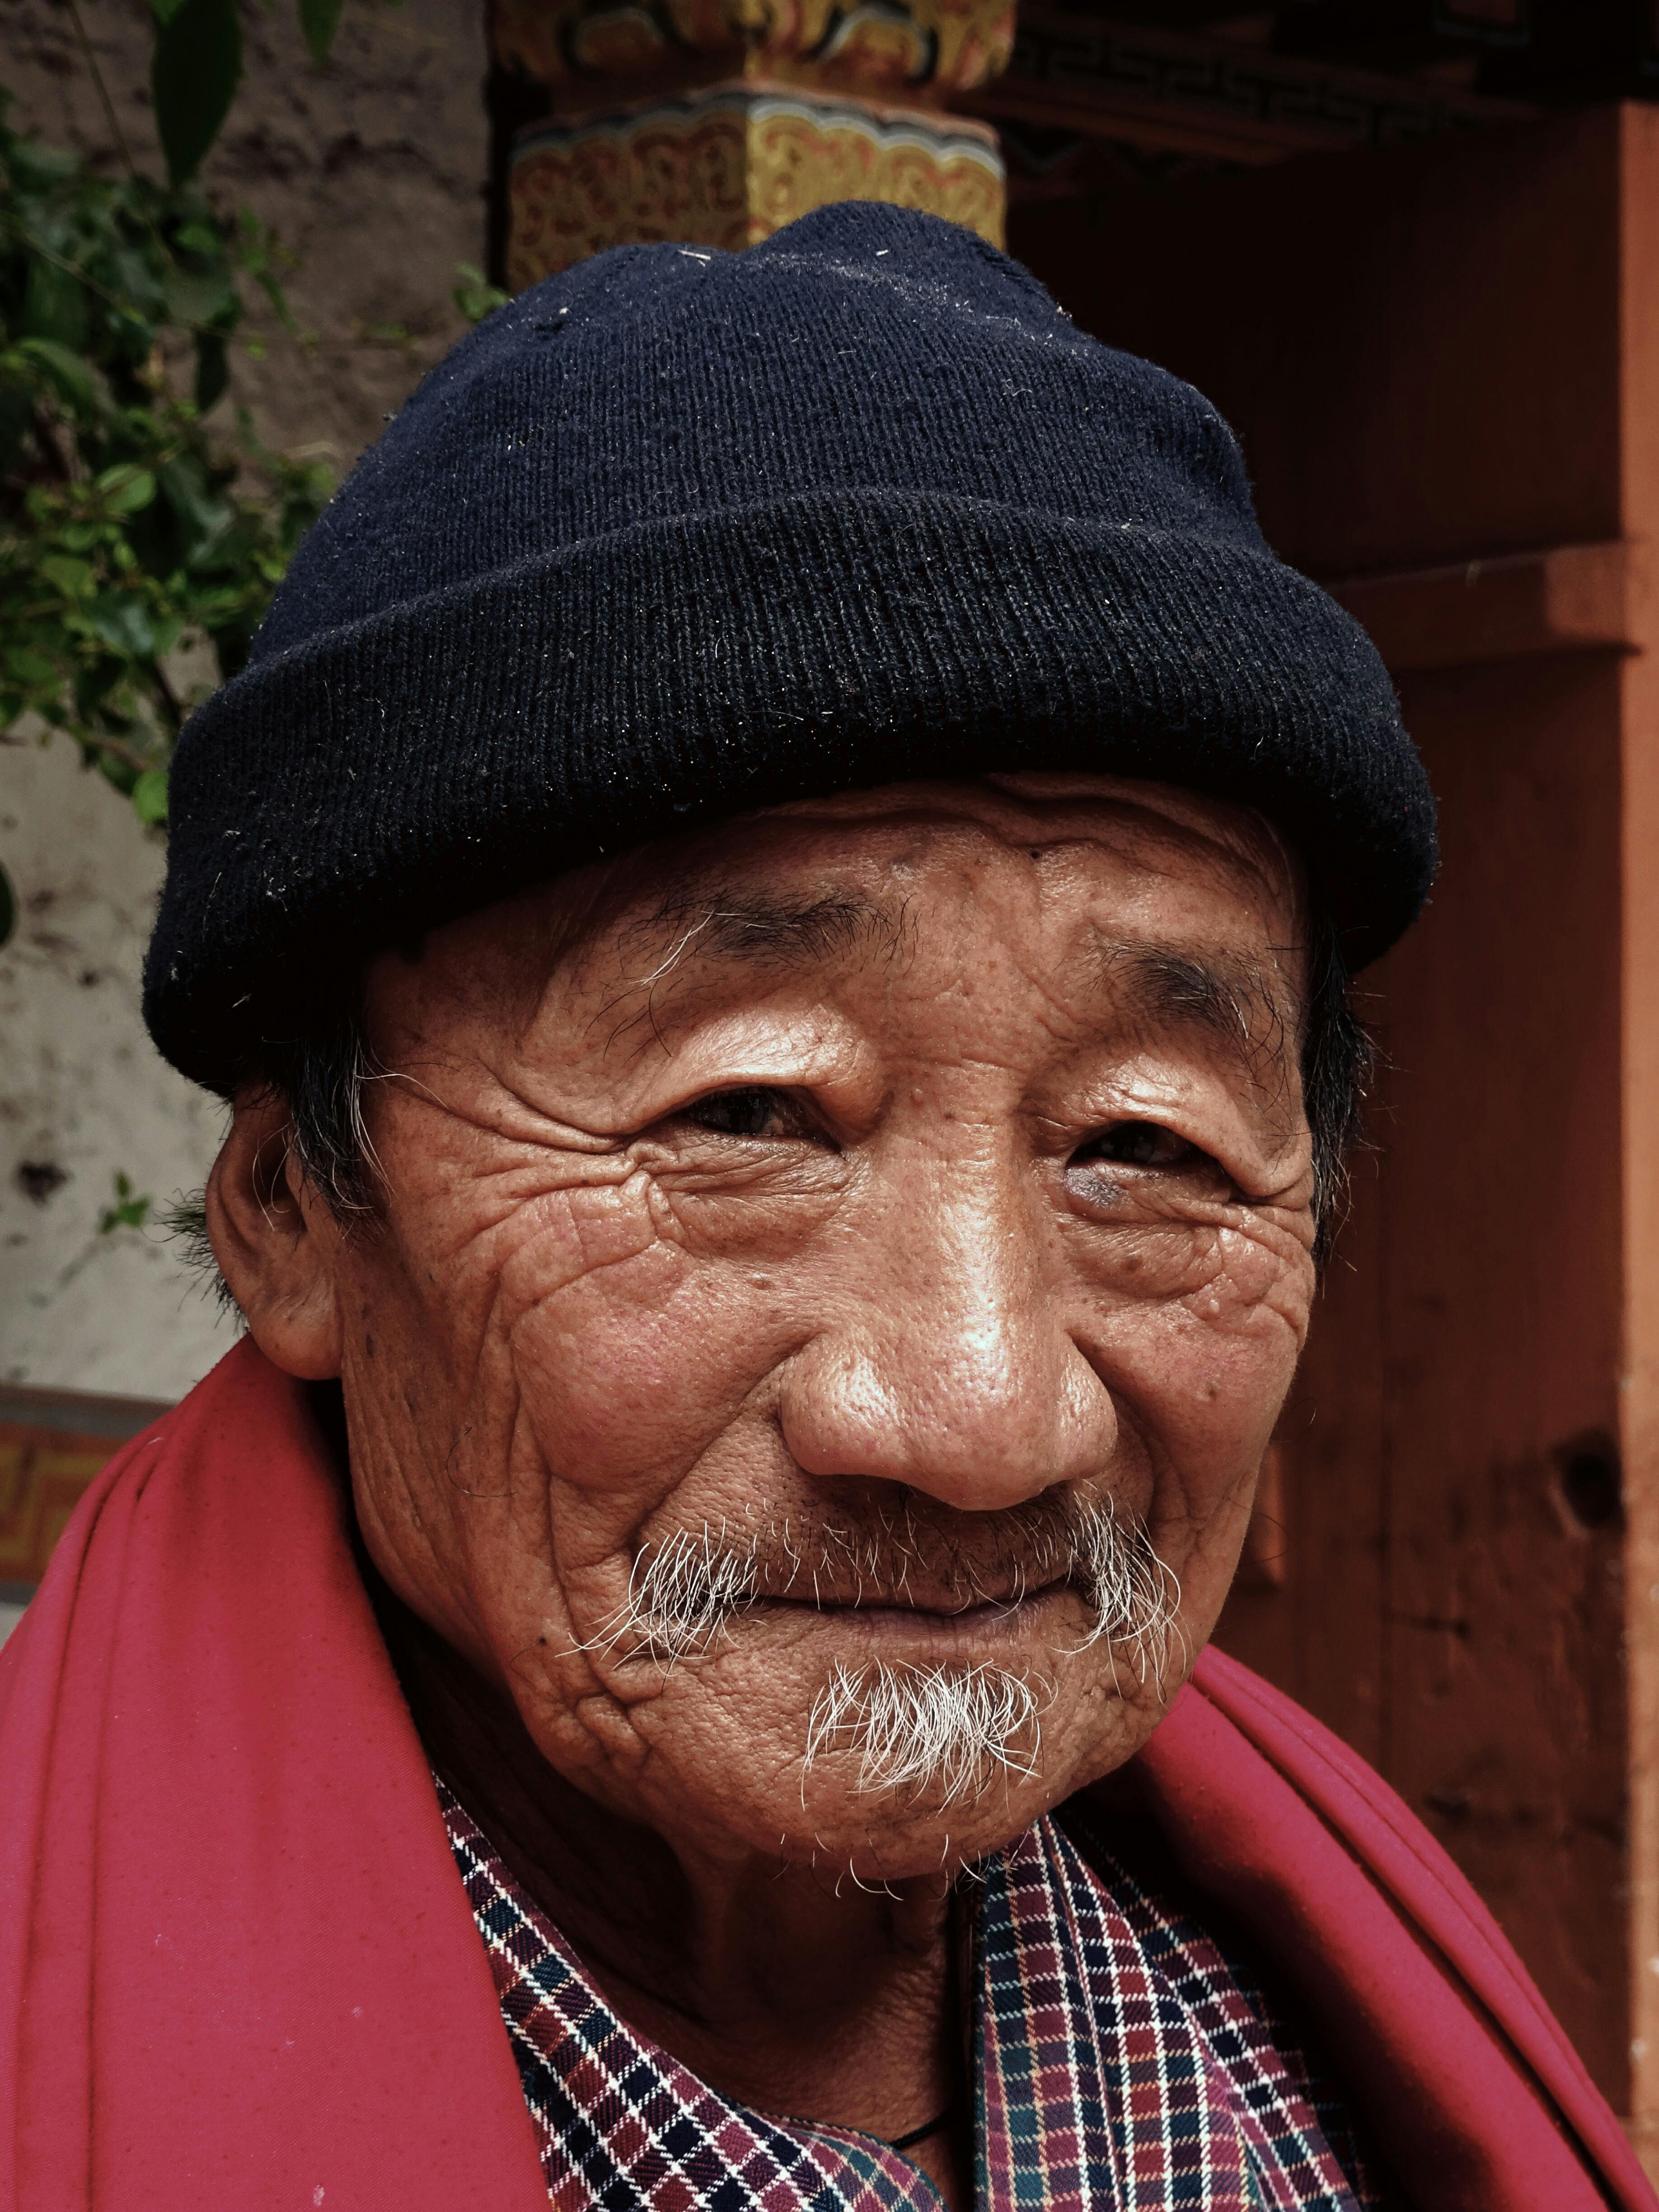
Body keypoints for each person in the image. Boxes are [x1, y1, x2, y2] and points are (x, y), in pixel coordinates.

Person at [0, 202, 1646, 2212]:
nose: (979, 1417)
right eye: (753, 1116)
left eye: (1144, 1147)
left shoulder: (1333, 2064)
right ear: (292, 1213)